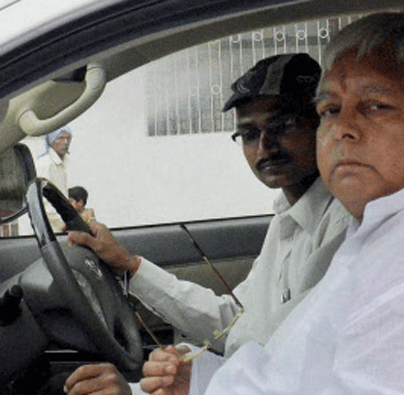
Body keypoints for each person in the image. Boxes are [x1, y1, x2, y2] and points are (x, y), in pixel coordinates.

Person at [138, 11, 404, 395]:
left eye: (375, 105)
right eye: (329, 110)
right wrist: (200, 381)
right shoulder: (393, 230)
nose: (342, 128)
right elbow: (298, 371)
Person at [62, 54, 350, 393]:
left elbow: (294, 371)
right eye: (248, 134)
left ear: (323, 124)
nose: (264, 146)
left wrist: (183, 382)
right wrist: (130, 266)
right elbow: (237, 319)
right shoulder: (288, 216)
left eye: (282, 126)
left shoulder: (345, 224)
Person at [35, 126, 72, 232]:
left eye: (68, 138)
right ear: (51, 141)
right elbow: (45, 202)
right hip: (51, 230)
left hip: (62, 227)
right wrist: (66, 222)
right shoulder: (45, 164)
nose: (65, 142)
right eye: (60, 138)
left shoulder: (63, 163)